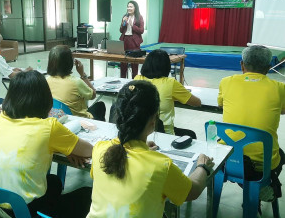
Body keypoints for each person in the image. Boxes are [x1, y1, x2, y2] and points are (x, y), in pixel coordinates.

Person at [87, 80, 214, 217]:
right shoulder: (160, 166)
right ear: (153, 121)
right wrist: (202, 167)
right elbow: (192, 191)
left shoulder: (100, 149)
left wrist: (141, 151)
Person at [0, 70, 93, 217]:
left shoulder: (3, 118)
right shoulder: (49, 127)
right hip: (23, 211)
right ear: (44, 98)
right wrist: (70, 150)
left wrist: (66, 149)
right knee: (87, 194)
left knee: (54, 182)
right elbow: (89, 151)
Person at [218, 45, 285, 200]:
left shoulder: (226, 82)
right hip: (263, 164)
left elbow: (221, 105)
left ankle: (248, 185)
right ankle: (263, 185)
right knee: (280, 155)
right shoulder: (280, 88)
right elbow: (282, 110)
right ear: (268, 68)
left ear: (242, 64)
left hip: (227, 158)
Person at [134, 49, 201, 138]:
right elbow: (197, 103)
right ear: (166, 66)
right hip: (164, 133)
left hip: (141, 130)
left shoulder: (137, 79)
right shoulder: (171, 83)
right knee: (191, 134)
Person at [46, 45, 106, 121]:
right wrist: (82, 74)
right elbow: (93, 95)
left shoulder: (46, 81)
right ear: (70, 62)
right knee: (100, 105)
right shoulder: (76, 82)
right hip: (79, 120)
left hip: (59, 118)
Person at [119, 0, 144, 78]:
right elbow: (121, 30)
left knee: (134, 64)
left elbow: (141, 30)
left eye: (131, 6)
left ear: (135, 8)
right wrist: (123, 23)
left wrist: (132, 25)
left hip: (134, 42)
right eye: (128, 6)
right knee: (123, 64)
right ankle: (123, 81)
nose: (129, 8)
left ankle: (134, 82)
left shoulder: (139, 17)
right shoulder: (125, 16)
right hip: (125, 40)